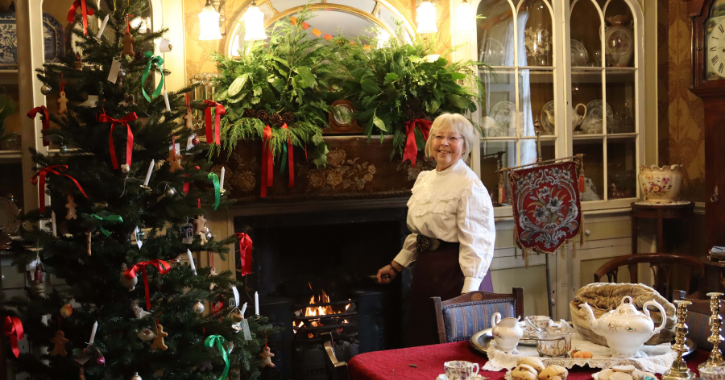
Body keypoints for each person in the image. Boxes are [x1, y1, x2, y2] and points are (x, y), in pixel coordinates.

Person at [376, 113, 496, 347]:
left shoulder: (469, 185)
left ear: (465, 145)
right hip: (427, 271)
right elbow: (420, 234)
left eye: (453, 138)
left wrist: (469, 294)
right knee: (425, 341)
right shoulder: (424, 180)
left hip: (458, 274)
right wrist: (397, 264)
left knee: (453, 345)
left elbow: (478, 242)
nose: (444, 143)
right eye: (438, 136)